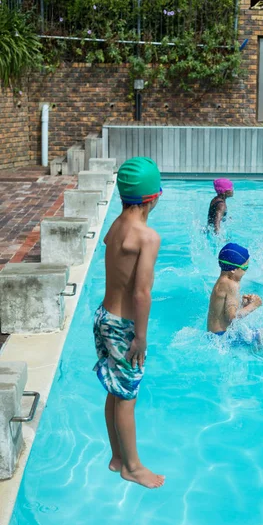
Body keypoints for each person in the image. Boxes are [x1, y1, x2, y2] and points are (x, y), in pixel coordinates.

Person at [93, 157, 165, 489]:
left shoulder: (117, 224)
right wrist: (141, 336)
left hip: (104, 317)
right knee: (127, 396)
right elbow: (142, 292)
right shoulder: (147, 236)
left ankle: (117, 456)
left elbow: (110, 246)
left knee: (114, 389)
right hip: (123, 326)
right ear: (154, 197)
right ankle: (132, 467)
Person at [207, 242, 263, 342]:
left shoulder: (222, 282)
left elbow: (225, 313)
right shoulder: (231, 285)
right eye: (245, 268)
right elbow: (232, 318)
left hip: (214, 336)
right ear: (233, 269)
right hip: (222, 338)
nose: (245, 272)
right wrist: (254, 305)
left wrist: (243, 305)